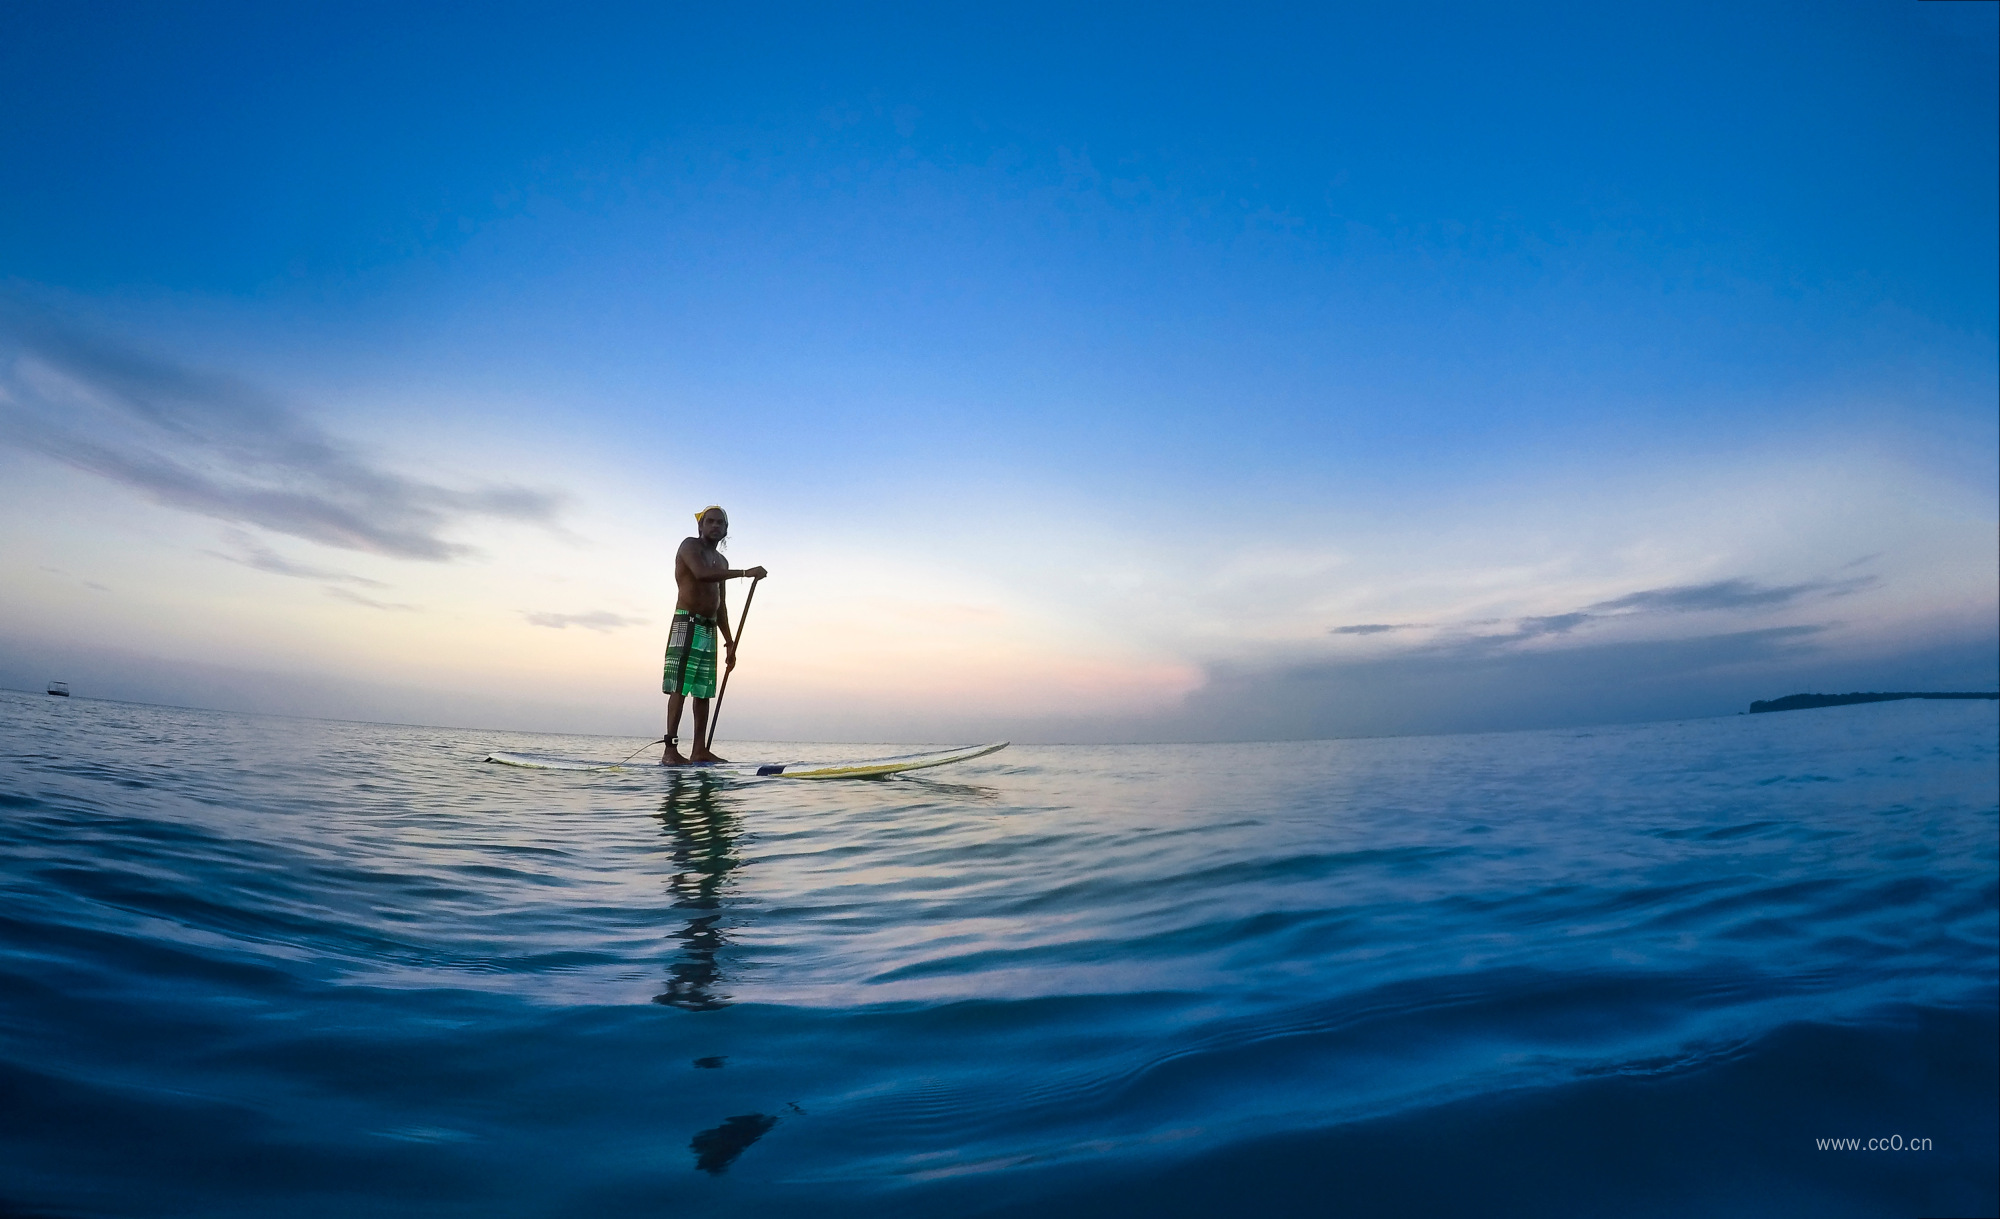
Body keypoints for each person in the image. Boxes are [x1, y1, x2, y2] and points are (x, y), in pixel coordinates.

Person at [662, 506, 766, 765]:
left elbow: (721, 606)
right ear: (700, 526)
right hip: (686, 622)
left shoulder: (722, 562)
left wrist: (729, 642)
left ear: (726, 530)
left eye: (721, 523)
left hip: (708, 627)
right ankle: (670, 750)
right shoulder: (689, 547)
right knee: (680, 687)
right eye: (710, 521)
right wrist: (744, 573)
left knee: (703, 690)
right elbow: (701, 574)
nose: (715, 526)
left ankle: (699, 750)